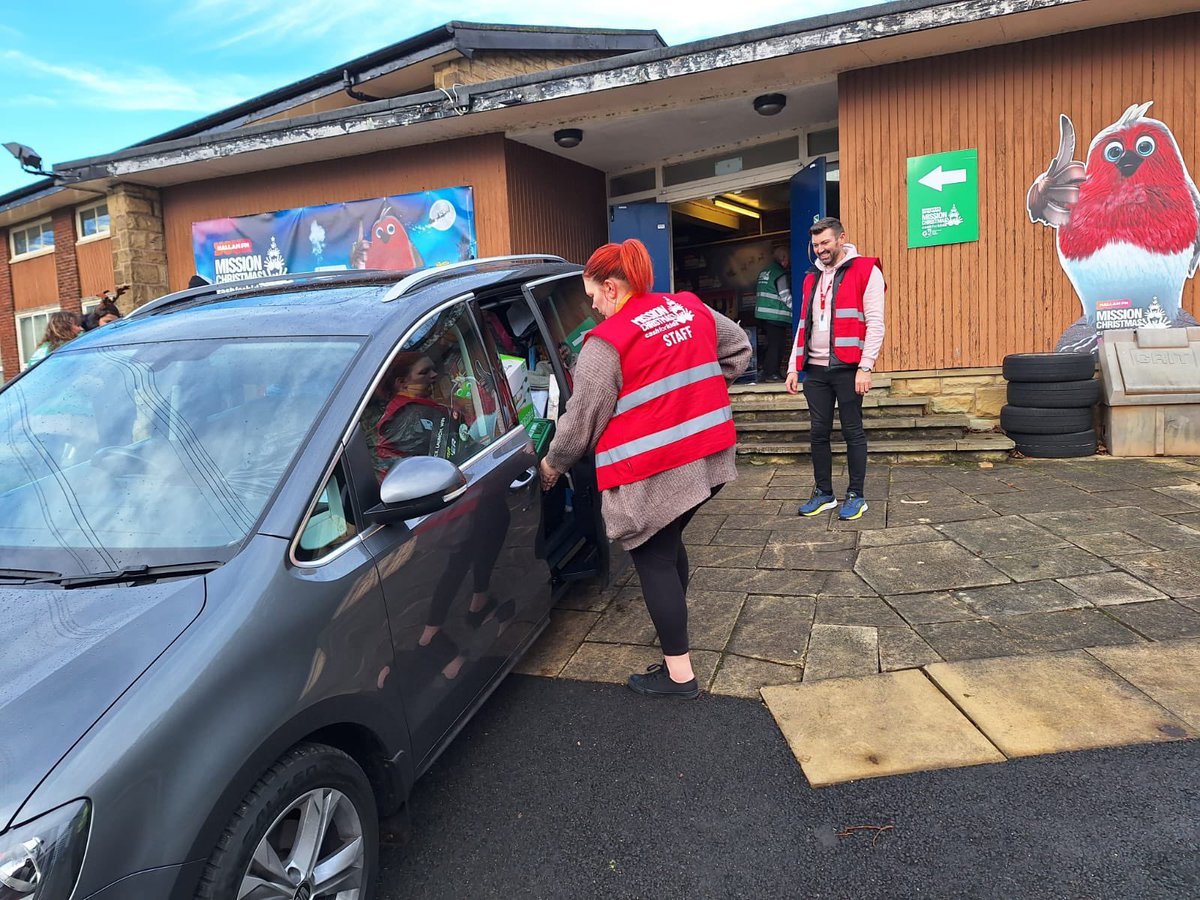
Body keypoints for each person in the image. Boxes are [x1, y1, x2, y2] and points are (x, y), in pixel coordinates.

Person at [538, 239, 750, 699]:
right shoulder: (688, 308)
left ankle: (680, 677)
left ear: (613, 288)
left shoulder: (606, 343)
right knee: (669, 543)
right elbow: (737, 347)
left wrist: (552, 465)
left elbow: (580, 422)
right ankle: (674, 633)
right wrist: (695, 394)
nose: (591, 305)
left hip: (655, 468)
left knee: (652, 556)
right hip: (707, 458)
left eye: (593, 294)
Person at [785, 217, 886, 521]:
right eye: (816, 245)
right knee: (818, 433)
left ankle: (856, 495)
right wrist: (793, 367)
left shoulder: (867, 270)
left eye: (826, 242)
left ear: (842, 239)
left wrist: (866, 367)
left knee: (853, 431)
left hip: (849, 368)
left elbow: (876, 323)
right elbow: (804, 324)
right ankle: (824, 493)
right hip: (815, 371)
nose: (820, 249)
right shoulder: (810, 277)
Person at [754, 243, 793, 382]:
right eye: (788, 259)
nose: (789, 263)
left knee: (771, 344)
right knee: (777, 345)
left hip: (763, 315)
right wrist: (797, 308)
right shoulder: (779, 273)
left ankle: (767, 372)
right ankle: (771, 374)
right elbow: (785, 295)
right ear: (783, 258)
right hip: (774, 315)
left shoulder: (765, 271)